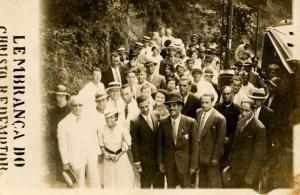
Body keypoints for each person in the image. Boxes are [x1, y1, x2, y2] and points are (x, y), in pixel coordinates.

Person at [57, 95, 101, 188]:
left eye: (80, 105)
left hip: (90, 156)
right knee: (79, 185)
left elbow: (94, 137)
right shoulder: (63, 124)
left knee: (94, 182)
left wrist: (98, 152)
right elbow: (62, 145)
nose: (78, 107)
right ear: (70, 106)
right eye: (75, 105)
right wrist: (65, 162)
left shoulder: (89, 119)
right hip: (75, 158)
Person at [157, 92, 198, 188]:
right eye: (169, 106)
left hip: (185, 165)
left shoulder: (190, 122)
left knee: (186, 189)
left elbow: (195, 146)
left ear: (180, 106)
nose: (171, 108)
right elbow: (159, 144)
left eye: (174, 105)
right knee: (170, 189)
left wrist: (193, 165)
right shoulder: (163, 122)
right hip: (169, 164)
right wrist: (160, 162)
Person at [228, 99, 266, 189]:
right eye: (242, 110)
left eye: (247, 111)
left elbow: (258, 155)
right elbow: (235, 144)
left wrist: (250, 175)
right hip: (236, 169)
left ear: (254, 110)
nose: (243, 113)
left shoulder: (259, 128)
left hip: (247, 171)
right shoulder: (240, 121)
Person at [130, 95, 165, 188]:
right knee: (146, 185)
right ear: (138, 107)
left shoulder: (156, 114)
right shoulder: (135, 121)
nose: (145, 109)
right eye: (142, 107)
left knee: (159, 185)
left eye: (146, 106)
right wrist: (137, 161)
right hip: (145, 160)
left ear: (149, 104)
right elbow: (134, 143)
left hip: (158, 159)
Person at [98, 109, 135, 189]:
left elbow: (128, 143)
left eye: (111, 117)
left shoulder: (122, 128)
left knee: (123, 182)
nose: (108, 120)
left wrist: (118, 155)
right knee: (110, 183)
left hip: (121, 158)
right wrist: (105, 154)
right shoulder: (102, 129)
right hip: (108, 160)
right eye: (106, 118)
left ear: (116, 117)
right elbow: (101, 144)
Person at [197, 93, 226, 188]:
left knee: (213, 182)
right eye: (202, 102)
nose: (204, 105)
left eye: (207, 102)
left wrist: (215, 158)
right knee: (202, 181)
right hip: (200, 154)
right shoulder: (198, 112)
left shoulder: (219, 118)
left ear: (213, 102)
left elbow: (220, 141)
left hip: (211, 156)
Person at [47, 84, 71, 184]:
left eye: (62, 95)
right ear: (55, 96)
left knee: (72, 174)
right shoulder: (51, 112)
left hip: (70, 143)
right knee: (61, 177)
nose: (60, 98)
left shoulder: (71, 110)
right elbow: (51, 128)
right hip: (58, 143)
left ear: (66, 96)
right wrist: (55, 134)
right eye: (58, 95)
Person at [214, 86, 240, 171]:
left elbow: (238, 127)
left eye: (228, 94)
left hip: (230, 143)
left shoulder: (237, 109)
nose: (226, 96)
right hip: (217, 142)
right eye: (224, 94)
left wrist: (229, 138)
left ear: (232, 94)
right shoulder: (216, 108)